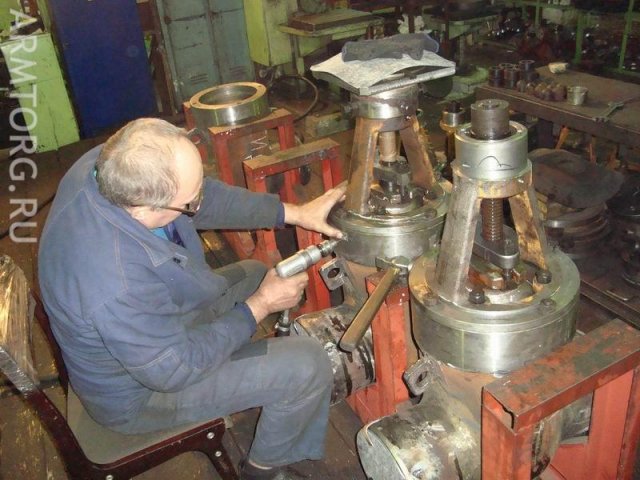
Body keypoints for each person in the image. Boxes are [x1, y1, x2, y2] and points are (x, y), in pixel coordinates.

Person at [38, 118, 346, 480]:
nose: (198, 201)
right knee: (308, 365)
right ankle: (263, 469)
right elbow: (174, 369)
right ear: (145, 208)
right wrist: (260, 306)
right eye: (189, 202)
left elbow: (205, 198)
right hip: (141, 393)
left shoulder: (109, 165)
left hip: (157, 326)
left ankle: (248, 368)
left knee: (253, 274)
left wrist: (293, 213)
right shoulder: (112, 280)